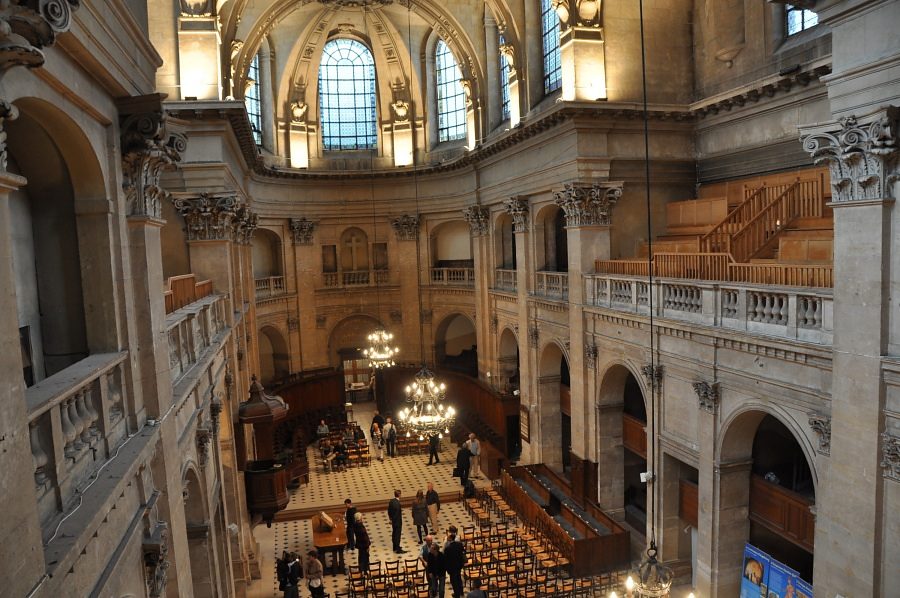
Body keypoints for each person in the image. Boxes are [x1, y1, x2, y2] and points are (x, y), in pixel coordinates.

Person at [443, 526, 466, 598]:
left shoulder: (447, 548)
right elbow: (463, 552)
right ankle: (461, 592)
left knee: (454, 581)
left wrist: (447, 569)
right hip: (459, 565)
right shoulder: (459, 544)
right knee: (459, 579)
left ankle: (457, 594)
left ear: (450, 539)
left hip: (452, 567)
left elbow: (446, 559)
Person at [388, 489, 406, 553]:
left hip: (394, 521)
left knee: (394, 534)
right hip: (397, 522)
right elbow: (397, 514)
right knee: (397, 535)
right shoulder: (398, 504)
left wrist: (391, 519)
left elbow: (389, 511)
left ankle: (394, 547)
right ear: (399, 495)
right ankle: (398, 549)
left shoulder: (391, 501)